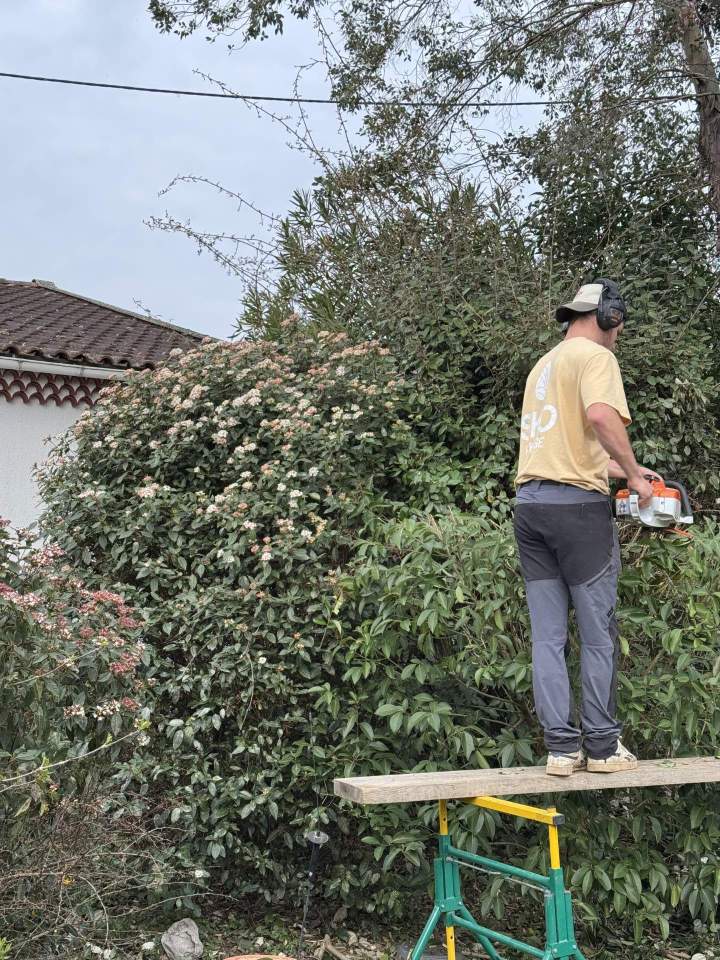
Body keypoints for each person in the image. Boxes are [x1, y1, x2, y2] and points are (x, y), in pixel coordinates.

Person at [513, 279, 660, 776]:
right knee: (598, 634)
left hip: (530, 507)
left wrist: (623, 470)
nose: (618, 334)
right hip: (577, 512)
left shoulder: (544, 365)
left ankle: (561, 749)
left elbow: (566, 449)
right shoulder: (597, 358)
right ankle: (601, 747)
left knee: (547, 636)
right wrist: (635, 476)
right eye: (619, 324)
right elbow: (600, 416)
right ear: (609, 316)